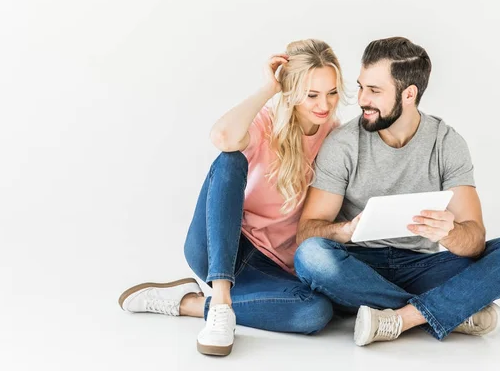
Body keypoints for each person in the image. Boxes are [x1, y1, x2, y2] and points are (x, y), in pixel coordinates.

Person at [294, 37, 500, 346]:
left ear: (409, 94)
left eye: (375, 91)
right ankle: (450, 309)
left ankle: (404, 318)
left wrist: (449, 233)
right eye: (362, 86)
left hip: (422, 266)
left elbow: (474, 241)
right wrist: (345, 230)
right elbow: (306, 234)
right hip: (358, 266)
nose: (362, 99)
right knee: (312, 257)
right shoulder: (344, 143)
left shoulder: (446, 143)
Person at [118, 39, 346, 356]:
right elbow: (222, 137)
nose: (325, 104)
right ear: (291, 91)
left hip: (269, 266)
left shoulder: (336, 137)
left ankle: (193, 304)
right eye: (312, 94)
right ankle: (222, 302)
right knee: (230, 157)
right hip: (220, 247)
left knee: (316, 312)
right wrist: (269, 88)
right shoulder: (267, 122)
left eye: (332, 92)